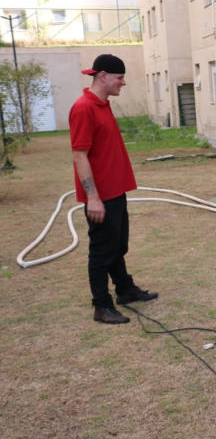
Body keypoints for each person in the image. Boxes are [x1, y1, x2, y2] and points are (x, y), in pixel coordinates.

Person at [71, 54, 158, 324]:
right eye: (119, 77)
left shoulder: (102, 105)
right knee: (101, 251)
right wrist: (93, 198)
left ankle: (125, 290)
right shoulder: (84, 107)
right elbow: (80, 156)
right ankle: (101, 305)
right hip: (102, 196)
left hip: (115, 192)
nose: (123, 82)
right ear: (103, 76)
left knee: (117, 246)